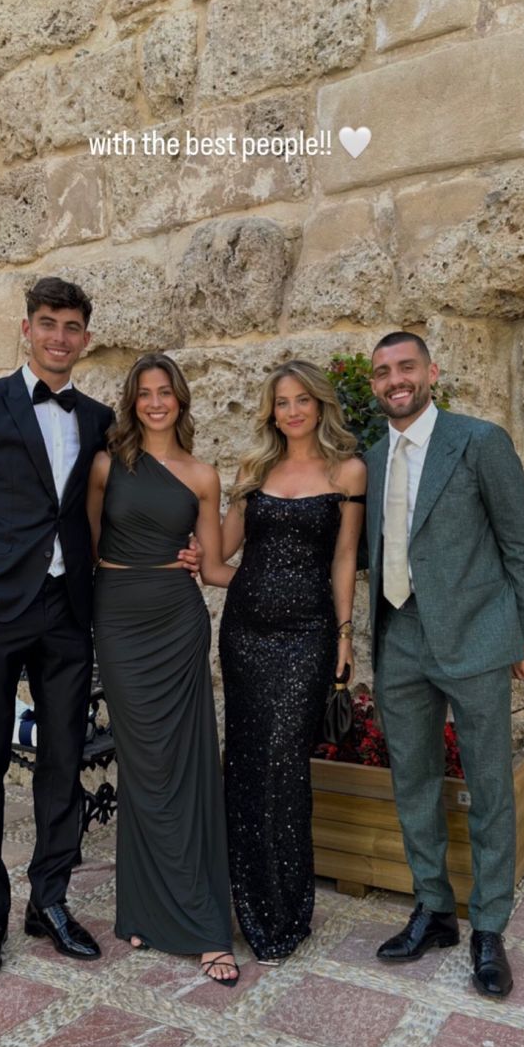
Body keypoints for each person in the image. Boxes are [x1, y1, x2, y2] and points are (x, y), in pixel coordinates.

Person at [0, 277, 116, 984]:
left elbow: (115, 509)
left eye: (72, 326)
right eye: (48, 323)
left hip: (67, 615)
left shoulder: (98, 418)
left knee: (64, 761)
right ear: (26, 330)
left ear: (85, 338)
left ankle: (52, 902)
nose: (60, 337)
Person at [365, 331, 524, 998]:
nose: (394, 380)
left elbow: (523, 542)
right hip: (400, 638)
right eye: (383, 372)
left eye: (405, 366)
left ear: (431, 371)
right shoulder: (373, 456)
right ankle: (434, 909)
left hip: (474, 636)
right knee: (412, 780)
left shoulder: (479, 442)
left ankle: (489, 925)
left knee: (490, 784)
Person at [87, 353, 240, 986]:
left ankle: (205, 927)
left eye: (165, 392)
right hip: (120, 621)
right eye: (144, 394)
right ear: (133, 402)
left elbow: (211, 567)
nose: (155, 403)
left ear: (180, 400)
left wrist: (287, 584)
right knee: (144, 765)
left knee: (189, 762)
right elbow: (86, 548)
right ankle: (145, 909)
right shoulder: (105, 466)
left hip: (179, 623)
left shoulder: (204, 475)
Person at [220, 360, 366, 965]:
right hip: (244, 635)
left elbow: (344, 558)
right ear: (271, 411)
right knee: (247, 762)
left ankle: (285, 911)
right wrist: (183, 549)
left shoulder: (347, 469)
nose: (292, 411)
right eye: (281, 402)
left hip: (306, 636)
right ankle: (249, 903)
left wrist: (343, 634)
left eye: (302, 399)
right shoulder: (255, 470)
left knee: (285, 764)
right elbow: (222, 550)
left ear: (320, 404)